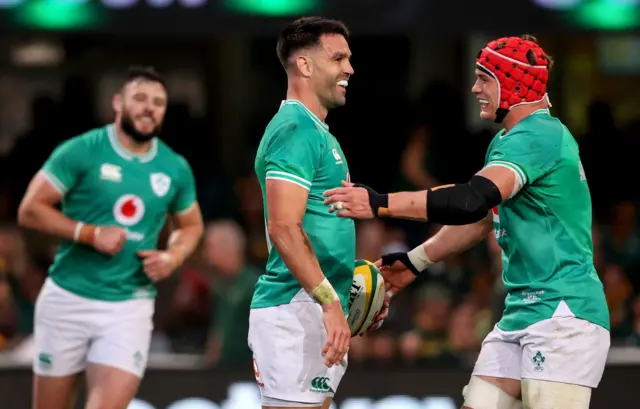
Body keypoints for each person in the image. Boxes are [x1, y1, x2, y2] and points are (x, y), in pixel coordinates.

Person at [323, 35, 610, 409]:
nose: (475, 88)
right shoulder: (509, 141)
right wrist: (415, 261)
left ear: (512, 81)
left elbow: (471, 199)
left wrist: (378, 203)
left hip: (563, 314)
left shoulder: (540, 135)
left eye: (484, 78)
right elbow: (481, 220)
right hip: (523, 311)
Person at [17, 65, 204, 409]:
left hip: (129, 304)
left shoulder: (174, 167)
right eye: (140, 98)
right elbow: (30, 208)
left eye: (158, 102)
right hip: (67, 298)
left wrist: (172, 257)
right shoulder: (81, 150)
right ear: (118, 103)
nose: (149, 108)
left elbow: (191, 226)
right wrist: (88, 233)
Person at [250, 16, 388, 409]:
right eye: (338, 58)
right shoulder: (294, 130)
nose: (350, 68)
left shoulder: (317, 132)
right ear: (305, 65)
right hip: (296, 308)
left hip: (311, 306)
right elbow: (283, 228)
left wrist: (355, 283)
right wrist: (329, 302)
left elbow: (317, 227)